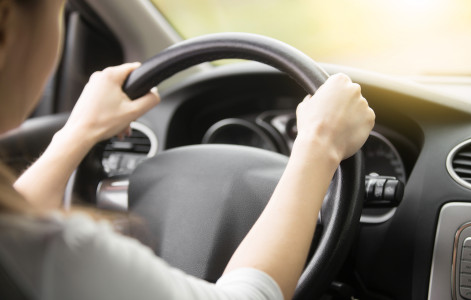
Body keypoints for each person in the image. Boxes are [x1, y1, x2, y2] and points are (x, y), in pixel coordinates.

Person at [0, 0, 375, 299]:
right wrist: (319, 145)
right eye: (59, 10)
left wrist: (78, 133)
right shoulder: (59, 254)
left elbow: (17, 216)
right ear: (7, 27)